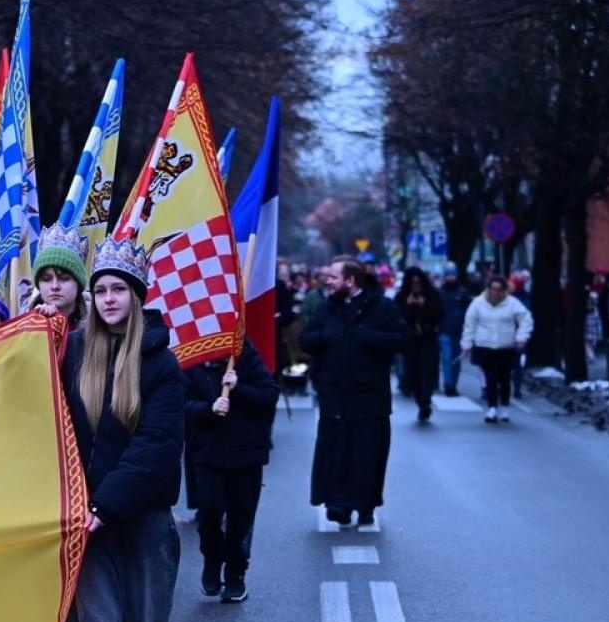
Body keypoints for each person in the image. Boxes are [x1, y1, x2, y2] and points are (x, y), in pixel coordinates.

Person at [60, 235, 184, 622]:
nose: (108, 299)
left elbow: (155, 446)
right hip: (81, 522)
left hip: (142, 522)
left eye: (118, 290)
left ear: (135, 296)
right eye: (101, 290)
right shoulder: (71, 355)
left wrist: (106, 504)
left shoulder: (162, 365)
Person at [26, 222, 88, 622]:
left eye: (63, 278)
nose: (54, 286)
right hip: (39, 469)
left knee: (87, 586)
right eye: (45, 277)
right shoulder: (26, 330)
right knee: (49, 586)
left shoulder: (98, 332)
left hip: (86, 466)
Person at [302, 258, 408, 528]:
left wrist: (368, 337)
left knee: (367, 454)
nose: (328, 281)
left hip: (369, 396)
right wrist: (324, 336)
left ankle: (365, 505)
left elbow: (402, 339)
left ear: (350, 281)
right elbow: (306, 340)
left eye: (334, 277)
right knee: (335, 453)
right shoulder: (327, 308)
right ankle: (337, 504)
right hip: (334, 395)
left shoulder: (381, 306)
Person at [182, 340, 277, 603]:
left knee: (241, 518)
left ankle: (236, 575)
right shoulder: (192, 357)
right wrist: (208, 409)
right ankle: (212, 559)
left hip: (247, 454)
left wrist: (239, 389)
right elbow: (181, 405)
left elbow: (269, 395)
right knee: (210, 512)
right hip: (208, 453)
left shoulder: (243, 352)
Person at [461, 275, 534, 423]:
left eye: (499, 290)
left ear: (504, 291)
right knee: (490, 377)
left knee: (505, 378)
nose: (495, 293)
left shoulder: (513, 304)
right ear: (488, 289)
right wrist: (466, 344)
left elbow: (526, 319)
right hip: (485, 346)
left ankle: (505, 407)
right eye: (493, 289)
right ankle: (492, 407)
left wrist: (521, 337)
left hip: (506, 346)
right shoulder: (478, 303)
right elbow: (470, 324)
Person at [394, 267, 443, 422]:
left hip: (428, 339)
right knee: (413, 375)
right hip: (410, 341)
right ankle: (421, 403)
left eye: (418, 282)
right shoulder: (401, 296)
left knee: (427, 372)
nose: (416, 286)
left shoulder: (432, 295)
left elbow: (439, 314)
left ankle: (426, 401)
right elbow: (397, 318)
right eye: (413, 283)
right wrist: (408, 305)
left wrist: (423, 306)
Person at [438, 270, 471, 397]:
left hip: (460, 331)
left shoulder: (463, 292)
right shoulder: (440, 293)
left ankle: (454, 384)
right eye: (448, 275)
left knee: (456, 360)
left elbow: (469, 312)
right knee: (446, 358)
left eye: (453, 275)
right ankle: (448, 384)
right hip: (444, 330)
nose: (450, 277)